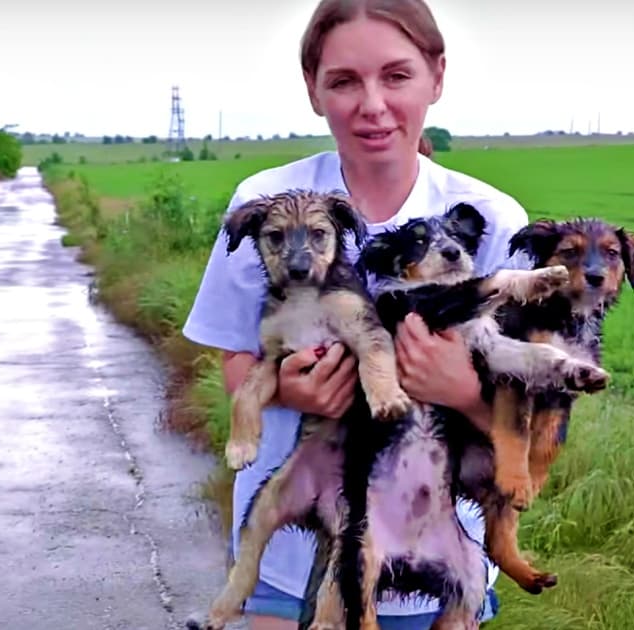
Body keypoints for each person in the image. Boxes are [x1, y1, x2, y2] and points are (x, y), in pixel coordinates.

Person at [182, 0, 531, 627]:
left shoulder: (490, 219)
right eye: (344, 80)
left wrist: (462, 392)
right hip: (285, 569)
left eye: (396, 75)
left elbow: (527, 409)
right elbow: (237, 357)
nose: (372, 104)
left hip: (438, 564)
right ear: (314, 90)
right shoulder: (262, 202)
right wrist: (287, 390)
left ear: (437, 77)